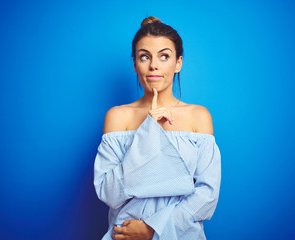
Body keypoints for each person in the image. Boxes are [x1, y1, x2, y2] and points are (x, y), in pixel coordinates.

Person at [93, 16, 221, 240]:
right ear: (135, 64)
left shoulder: (198, 117)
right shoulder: (117, 117)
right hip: (124, 234)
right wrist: (147, 132)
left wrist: (153, 229)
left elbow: (207, 196)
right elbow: (109, 194)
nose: (154, 65)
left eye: (164, 56)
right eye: (145, 56)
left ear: (178, 63)